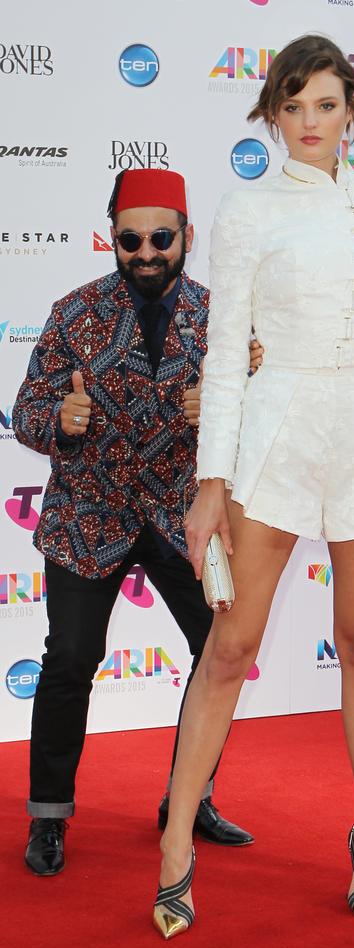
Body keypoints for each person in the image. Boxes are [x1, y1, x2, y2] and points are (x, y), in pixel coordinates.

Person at [152, 34, 354, 939]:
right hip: (272, 439)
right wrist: (209, 482)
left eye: (326, 104)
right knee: (230, 649)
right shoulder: (247, 208)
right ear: (272, 114)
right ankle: (176, 843)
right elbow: (226, 353)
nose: (310, 122)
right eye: (293, 106)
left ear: (353, 108)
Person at [13, 168, 253, 878]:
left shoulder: (221, 319)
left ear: (185, 236)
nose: (145, 251)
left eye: (160, 237)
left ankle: (189, 799)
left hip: (188, 517)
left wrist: (225, 416)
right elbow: (25, 411)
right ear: (110, 236)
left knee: (221, 653)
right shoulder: (73, 312)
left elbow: (271, 412)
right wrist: (61, 420)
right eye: (129, 238)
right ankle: (50, 817)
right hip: (90, 517)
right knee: (69, 663)